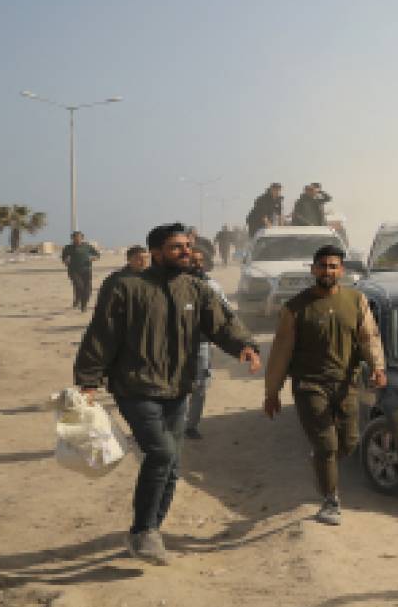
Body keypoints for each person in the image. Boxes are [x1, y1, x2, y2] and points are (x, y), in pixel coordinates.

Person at [73, 223, 261, 564]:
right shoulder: (125, 286)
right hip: (135, 385)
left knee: (172, 463)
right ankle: (143, 530)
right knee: (160, 454)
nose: (186, 251)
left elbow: (221, 323)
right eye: (177, 247)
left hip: (177, 388)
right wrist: (88, 379)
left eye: (187, 246)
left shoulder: (195, 288)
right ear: (156, 253)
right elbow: (102, 333)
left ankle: (149, 531)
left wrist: (244, 345)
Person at [262, 246, 386, 525]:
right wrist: (272, 392)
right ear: (313, 269)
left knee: (349, 443)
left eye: (333, 266)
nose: (328, 271)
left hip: (346, 384)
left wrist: (378, 367)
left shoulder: (356, 301)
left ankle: (320, 460)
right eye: (322, 266)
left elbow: (369, 338)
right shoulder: (295, 308)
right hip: (309, 385)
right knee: (327, 445)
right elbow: (281, 351)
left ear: (341, 270)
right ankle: (330, 500)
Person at [183, 248, 236, 440]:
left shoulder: (213, 286)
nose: (196, 264)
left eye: (199, 261)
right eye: (192, 261)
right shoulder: (171, 285)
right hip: (174, 344)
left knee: (200, 384)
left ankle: (191, 425)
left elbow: (226, 312)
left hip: (201, 343)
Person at [61, 231, 100, 311]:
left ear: (82, 238)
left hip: (86, 270)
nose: (77, 239)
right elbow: (64, 258)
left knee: (87, 289)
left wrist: (94, 258)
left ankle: (83, 305)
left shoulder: (87, 246)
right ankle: (77, 300)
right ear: (72, 238)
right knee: (79, 286)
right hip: (74, 271)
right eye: (75, 238)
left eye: (79, 237)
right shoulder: (68, 248)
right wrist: (66, 260)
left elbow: (97, 255)